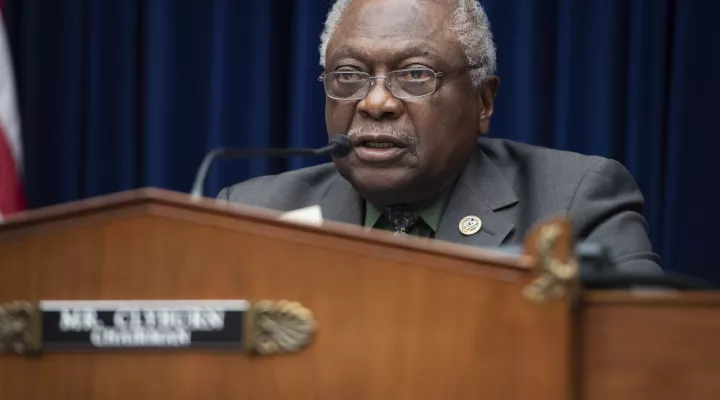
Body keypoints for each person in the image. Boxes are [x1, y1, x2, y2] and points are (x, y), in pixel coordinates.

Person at [218, 0, 661, 273]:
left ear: (484, 102)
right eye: (349, 75)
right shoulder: (252, 215)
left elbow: (649, 357)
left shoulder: (573, 203)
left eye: (414, 74)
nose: (375, 102)